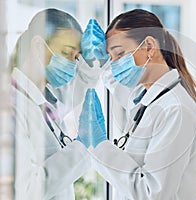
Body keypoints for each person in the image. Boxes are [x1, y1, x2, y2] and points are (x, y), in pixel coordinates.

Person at [78, 9, 196, 199]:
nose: (115, 65)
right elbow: (116, 84)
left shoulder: (176, 110)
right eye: (111, 57)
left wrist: (101, 147)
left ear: (149, 46)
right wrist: (102, 61)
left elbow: (152, 193)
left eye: (119, 54)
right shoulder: (148, 97)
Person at [10, 8, 97, 200]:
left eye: (76, 57)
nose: (72, 64)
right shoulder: (11, 107)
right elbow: (28, 190)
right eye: (66, 53)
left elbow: (81, 85)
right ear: (39, 46)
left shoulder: (45, 100)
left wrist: (90, 60)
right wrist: (81, 148)